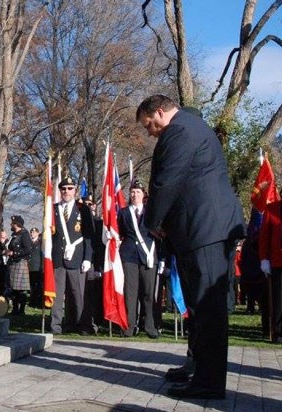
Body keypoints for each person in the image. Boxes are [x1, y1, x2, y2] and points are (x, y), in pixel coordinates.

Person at [137, 94, 245, 399]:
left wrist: (152, 222)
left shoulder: (181, 130)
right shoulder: (189, 126)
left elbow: (167, 181)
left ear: (160, 111)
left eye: (150, 124)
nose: (150, 132)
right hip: (198, 228)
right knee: (199, 306)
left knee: (208, 308)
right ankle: (199, 369)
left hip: (205, 227)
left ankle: (209, 383)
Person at [117, 180, 162, 339]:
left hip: (148, 255)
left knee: (149, 293)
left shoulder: (151, 212)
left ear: (144, 195)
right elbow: (121, 232)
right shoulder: (123, 212)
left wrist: (161, 258)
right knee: (130, 293)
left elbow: (159, 234)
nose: (135, 194)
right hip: (129, 256)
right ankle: (129, 327)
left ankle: (150, 326)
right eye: (132, 191)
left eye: (138, 192)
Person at [51, 177, 95, 335]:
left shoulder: (83, 209)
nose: (66, 191)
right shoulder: (53, 209)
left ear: (75, 191)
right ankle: (56, 325)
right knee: (57, 295)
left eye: (70, 188)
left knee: (78, 294)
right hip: (57, 258)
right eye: (63, 189)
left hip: (77, 256)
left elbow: (89, 235)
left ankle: (82, 325)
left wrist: (88, 258)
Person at [258, 195, 282, 344]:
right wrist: (264, 259)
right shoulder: (272, 209)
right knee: (279, 299)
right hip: (278, 261)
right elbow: (264, 236)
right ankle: (278, 331)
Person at [6, 215, 32, 315]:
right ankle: (15, 308)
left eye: (12, 223)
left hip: (20, 262)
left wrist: (14, 253)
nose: (10, 225)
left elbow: (27, 249)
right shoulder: (14, 234)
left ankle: (21, 310)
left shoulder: (24, 234)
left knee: (20, 289)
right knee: (13, 288)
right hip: (13, 263)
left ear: (17, 224)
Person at [27, 227, 43, 308]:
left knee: (38, 286)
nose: (32, 234)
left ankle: (38, 302)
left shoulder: (40, 242)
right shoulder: (29, 242)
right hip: (30, 267)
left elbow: (42, 255)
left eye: (33, 232)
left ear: (37, 233)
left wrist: (42, 266)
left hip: (37, 267)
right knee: (32, 286)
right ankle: (32, 301)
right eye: (31, 232)